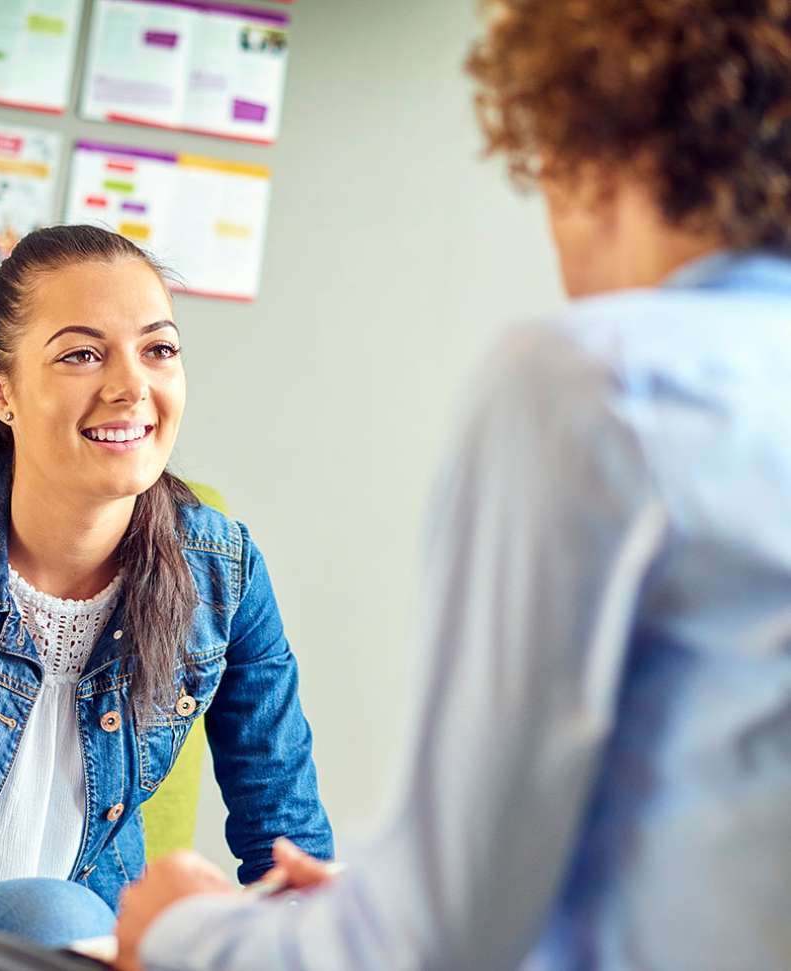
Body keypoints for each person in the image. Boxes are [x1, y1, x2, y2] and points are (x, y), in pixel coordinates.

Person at [113, 1, 791, 968]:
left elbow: (431, 941)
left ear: (584, 149)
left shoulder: (597, 383)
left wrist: (178, 930)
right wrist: (359, 904)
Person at [0, 225, 333, 968]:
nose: (132, 387)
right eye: (82, 354)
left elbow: (287, 851)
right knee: (53, 910)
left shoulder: (224, 574)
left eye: (158, 349)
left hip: (83, 953)